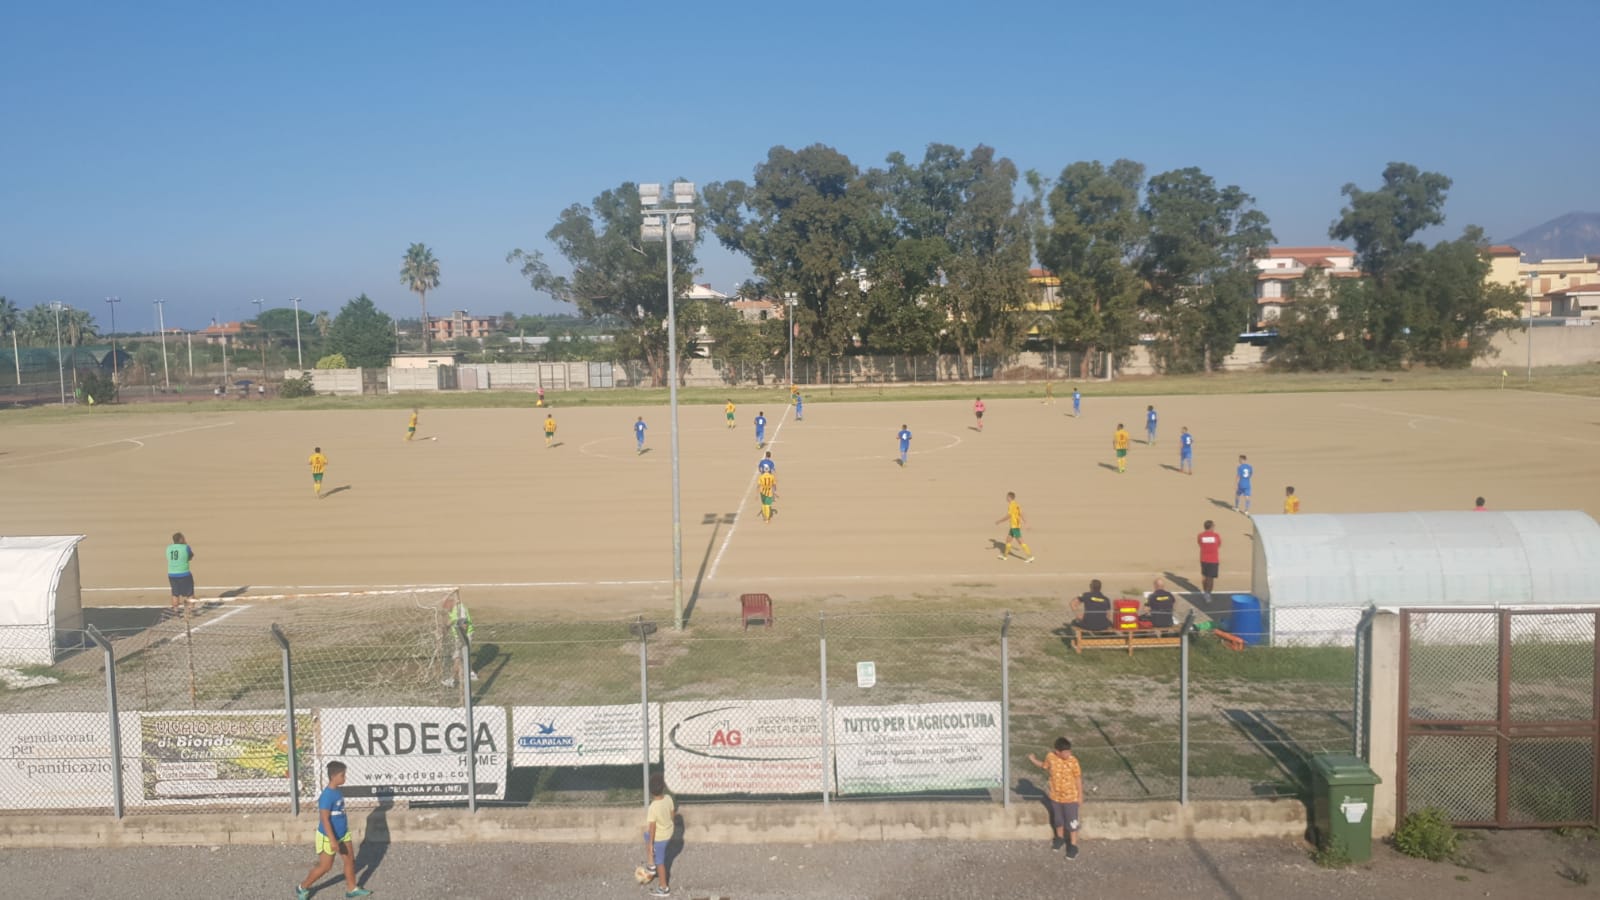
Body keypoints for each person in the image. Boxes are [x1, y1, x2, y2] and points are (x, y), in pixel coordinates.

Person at [296, 760, 372, 899]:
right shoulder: (327, 796)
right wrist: (332, 840)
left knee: (349, 860)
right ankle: (303, 887)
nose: (345, 778)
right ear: (334, 776)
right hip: (328, 837)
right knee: (325, 867)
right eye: (342, 775)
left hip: (343, 834)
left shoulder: (338, 792)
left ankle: (352, 888)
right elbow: (325, 819)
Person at [1027, 737, 1083, 858]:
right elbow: (1044, 765)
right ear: (1057, 751)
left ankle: (1073, 846)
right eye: (1065, 752)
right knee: (1058, 820)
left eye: (1069, 751)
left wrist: (1080, 796)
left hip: (1070, 798)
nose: (1068, 754)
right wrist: (1033, 760)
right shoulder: (1050, 757)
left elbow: (1078, 778)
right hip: (1055, 797)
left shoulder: (1073, 761)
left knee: (1072, 822)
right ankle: (1060, 838)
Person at [644, 772, 676, 896]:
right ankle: (651, 865)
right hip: (669, 832)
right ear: (664, 787)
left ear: (651, 791)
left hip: (660, 838)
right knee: (645, 835)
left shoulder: (653, 807)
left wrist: (651, 845)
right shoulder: (668, 798)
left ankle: (664, 888)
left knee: (660, 862)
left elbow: (652, 828)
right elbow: (672, 815)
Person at [443, 595, 477, 687]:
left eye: (445, 605)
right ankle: (471, 673)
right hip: (460, 636)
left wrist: (462, 639)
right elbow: (452, 619)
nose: (444, 608)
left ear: (450, 602)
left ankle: (453, 679)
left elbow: (464, 623)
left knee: (457, 657)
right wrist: (446, 628)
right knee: (463, 655)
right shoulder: (454, 609)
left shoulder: (460, 609)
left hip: (464, 636)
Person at [995, 491, 1034, 562]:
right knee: (1008, 540)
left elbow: (1009, 516)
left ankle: (1030, 556)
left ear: (1009, 497)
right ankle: (1005, 556)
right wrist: (1026, 523)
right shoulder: (1016, 504)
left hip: (1014, 526)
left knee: (1021, 542)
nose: (1006, 498)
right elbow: (1021, 513)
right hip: (1014, 526)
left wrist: (999, 521)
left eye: (1007, 497)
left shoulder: (1011, 505)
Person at [166, 532, 196, 613]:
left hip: (172, 574)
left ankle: (175, 610)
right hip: (184, 574)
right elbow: (190, 557)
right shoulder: (186, 547)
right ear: (181, 539)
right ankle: (190, 610)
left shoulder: (169, 548)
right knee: (190, 593)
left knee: (175, 593)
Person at [1197, 520, 1222, 600]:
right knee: (1210, 578)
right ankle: (1208, 594)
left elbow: (1200, 544)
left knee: (1204, 576)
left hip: (1203, 559)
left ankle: (1205, 592)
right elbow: (1219, 544)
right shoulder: (1216, 536)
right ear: (1211, 527)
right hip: (1213, 560)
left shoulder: (1200, 535)